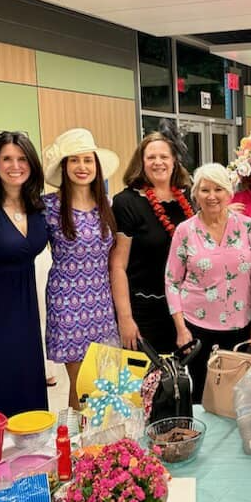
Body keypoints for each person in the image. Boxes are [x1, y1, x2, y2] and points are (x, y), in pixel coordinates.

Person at [0, 131, 48, 416]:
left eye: (22, 158)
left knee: (27, 391)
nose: (15, 165)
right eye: (7, 159)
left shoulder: (37, 207)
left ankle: (31, 460)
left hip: (25, 316)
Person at [42, 128, 120, 410]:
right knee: (80, 383)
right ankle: (78, 446)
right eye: (74, 160)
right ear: (64, 167)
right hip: (68, 303)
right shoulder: (48, 207)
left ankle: (100, 442)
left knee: (104, 381)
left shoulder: (107, 206)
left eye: (87, 160)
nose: (82, 167)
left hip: (102, 303)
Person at [165, 163, 251, 402]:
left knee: (236, 396)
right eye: (205, 190)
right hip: (198, 327)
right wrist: (181, 328)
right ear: (195, 194)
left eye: (219, 189)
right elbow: (172, 281)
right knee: (201, 396)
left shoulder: (247, 226)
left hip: (241, 326)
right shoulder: (185, 231)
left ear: (229, 193)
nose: (212, 196)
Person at [110, 123, 193, 353]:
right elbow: (118, 266)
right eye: (151, 157)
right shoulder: (127, 203)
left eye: (164, 156)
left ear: (174, 160)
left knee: (184, 383)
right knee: (146, 385)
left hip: (185, 309)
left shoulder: (189, 199)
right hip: (145, 311)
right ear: (141, 162)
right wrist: (125, 318)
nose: (158, 162)